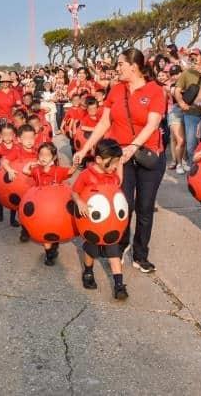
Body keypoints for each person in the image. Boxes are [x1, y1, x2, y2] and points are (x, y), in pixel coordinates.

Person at [74, 48, 166, 274]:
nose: (117, 68)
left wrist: (133, 146)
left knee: (145, 207)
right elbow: (104, 123)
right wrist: (85, 148)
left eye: (120, 64)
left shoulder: (155, 90)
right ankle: (121, 245)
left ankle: (141, 254)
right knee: (124, 203)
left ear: (133, 66)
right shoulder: (116, 90)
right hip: (120, 159)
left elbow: (152, 124)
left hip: (147, 154)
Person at [72, 138, 129, 299]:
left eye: (117, 163)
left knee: (113, 251)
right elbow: (74, 191)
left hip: (110, 224)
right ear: (98, 160)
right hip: (92, 222)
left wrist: (121, 164)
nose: (115, 167)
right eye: (113, 163)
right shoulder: (86, 175)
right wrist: (80, 202)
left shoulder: (111, 175)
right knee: (92, 248)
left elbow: (119, 181)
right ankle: (88, 271)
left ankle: (119, 284)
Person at [21, 142, 77, 266]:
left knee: (55, 228)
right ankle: (49, 254)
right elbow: (24, 170)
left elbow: (71, 171)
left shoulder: (58, 171)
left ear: (54, 157)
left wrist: (76, 162)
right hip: (41, 210)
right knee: (45, 234)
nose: (43, 157)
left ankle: (54, 245)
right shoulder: (36, 171)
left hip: (56, 209)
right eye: (41, 154)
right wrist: (32, 163)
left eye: (47, 155)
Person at [174, 48, 201, 166]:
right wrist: (181, 103)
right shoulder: (186, 73)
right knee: (191, 144)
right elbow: (177, 90)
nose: (194, 58)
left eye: (196, 55)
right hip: (191, 113)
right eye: (191, 56)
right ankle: (193, 168)